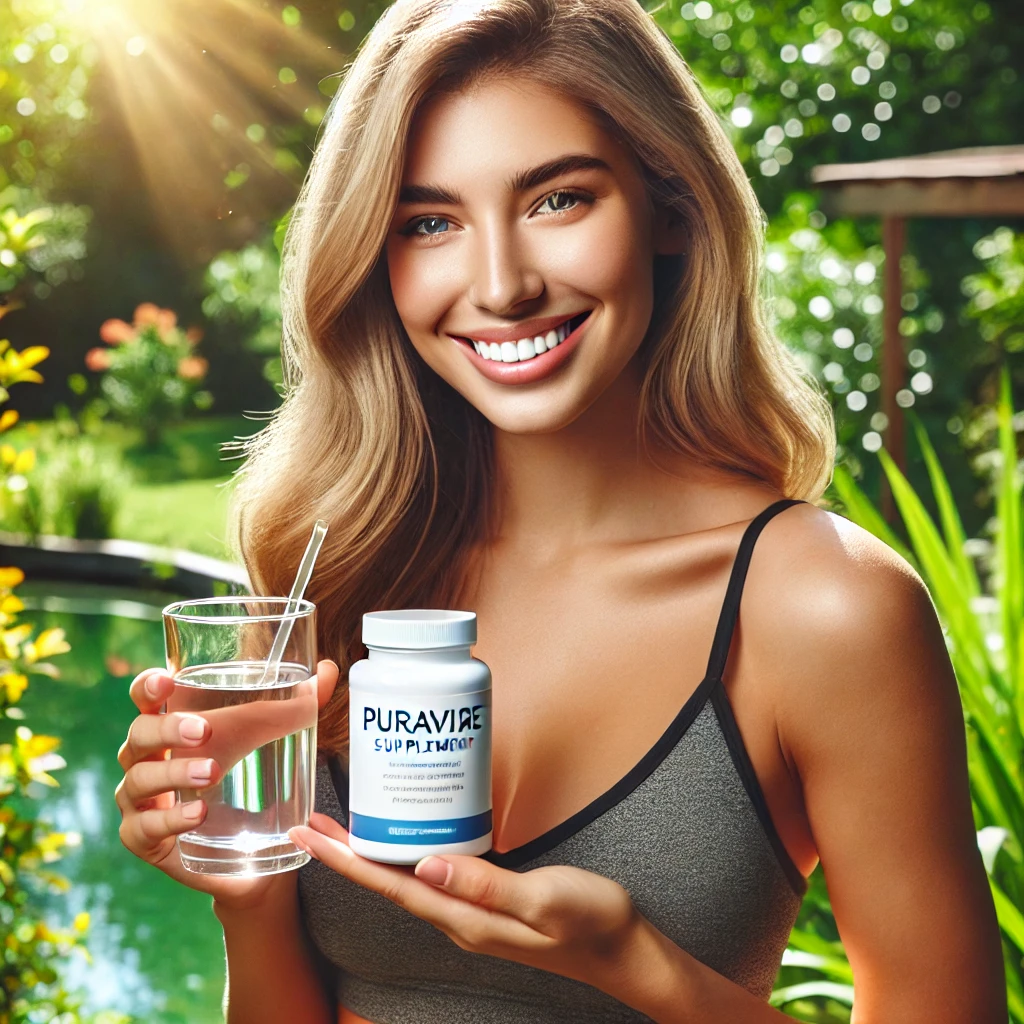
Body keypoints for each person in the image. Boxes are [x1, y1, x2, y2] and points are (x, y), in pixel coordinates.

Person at [114, 0, 1006, 1021]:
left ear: (670, 207)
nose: (500, 284)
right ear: (373, 252)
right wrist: (247, 889)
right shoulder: (346, 568)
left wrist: (639, 964)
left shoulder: (823, 607)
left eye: (557, 201)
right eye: (430, 222)